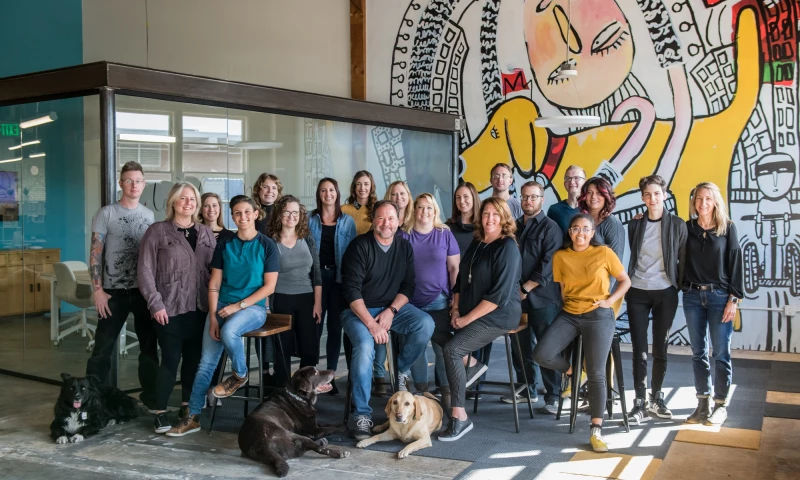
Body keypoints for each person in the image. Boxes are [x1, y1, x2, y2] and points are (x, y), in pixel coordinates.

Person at [166, 195, 280, 437]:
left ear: (255, 214)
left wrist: (238, 306)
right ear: (232, 217)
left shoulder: (267, 245)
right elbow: (215, 283)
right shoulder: (225, 243)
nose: (242, 217)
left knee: (230, 331)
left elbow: (269, 287)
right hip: (221, 306)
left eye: (247, 212)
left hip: (253, 308)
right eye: (237, 213)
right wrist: (213, 317)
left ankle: (239, 374)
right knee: (206, 364)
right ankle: (193, 417)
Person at [532, 213, 631, 453]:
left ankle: (596, 429)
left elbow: (624, 281)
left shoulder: (604, 253)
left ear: (592, 232)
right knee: (541, 354)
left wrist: (609, 302)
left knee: (597, 373)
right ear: (570, 232)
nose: (581, 233)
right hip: (570, 314)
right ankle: (575, 372)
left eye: (586, 229)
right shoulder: (561, 256)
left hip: (598, 314)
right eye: (576, 228)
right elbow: (563, 290)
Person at [340, 200, 434, 440]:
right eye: (380, 218)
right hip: (358, 311)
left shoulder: (404, 247)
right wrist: (372, 324)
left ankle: (400, 370)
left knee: (425, 324)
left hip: (391, 309)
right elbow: (351, 291)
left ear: (399, 221)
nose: (386, 223)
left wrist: (391, 311)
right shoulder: (359, 246)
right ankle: (362, 414)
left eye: (391, 218)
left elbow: (408, 286)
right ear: (373, 220)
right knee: (365, 347)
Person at [433, 197, 522, 441]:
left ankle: (460, 417)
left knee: (452, 349)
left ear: (504, 218)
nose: (490, 218)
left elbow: (498, 297)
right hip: (468, 309)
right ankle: (470, 364)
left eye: (495, 214)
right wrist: (455, 310)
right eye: (485, 213)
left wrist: (466, 319)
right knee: (428, 323)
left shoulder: (508, 247)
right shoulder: (478, 241)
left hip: (498, 315)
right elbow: (461, 280)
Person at [137, 182, 216, 433]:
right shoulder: (157, 231)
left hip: (200, 308)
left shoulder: (205, 233)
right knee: (170, 361)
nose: (188, 203)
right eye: (183, 198)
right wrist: (155, 303)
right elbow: (145, 270)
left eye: (192, 199)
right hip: (168, 308)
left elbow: (216, 271)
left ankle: (186, 408)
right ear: (173, 202)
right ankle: (160, 412)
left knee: (193, 361)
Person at [86, 161, 159, 410]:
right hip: (112, 293)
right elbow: (95, 254)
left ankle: (151, 400)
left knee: (148, 348)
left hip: (142, 292)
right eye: (128, 180)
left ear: (144, 184)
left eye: (138, 181)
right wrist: (98, 290)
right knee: (102, 350)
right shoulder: (106, 213)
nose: (133, 185)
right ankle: (93, 402)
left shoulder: (149, 216)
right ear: (121, 184)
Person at [625, 175, 687, 424]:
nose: (652, 198)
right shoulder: (635, 224)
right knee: (639, 349)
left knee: (661, 347)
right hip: (637, 291)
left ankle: (657, 397)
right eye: (648, 194)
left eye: (657, 194)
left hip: (665, 291)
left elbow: (683, 258)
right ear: (642, 197)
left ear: (665, 195)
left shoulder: (678, 224)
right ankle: (639, 401)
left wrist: (676, 287)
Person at [682, 182, 743, 427]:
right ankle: (702, 404)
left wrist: (733, 300)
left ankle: (720, 405)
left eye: (708, 198)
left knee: (721, 353)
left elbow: (736, 263)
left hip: (720, 297)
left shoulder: (728, 228)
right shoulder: (687, 228)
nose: (703, 203)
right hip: (692, 296)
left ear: (716, 201)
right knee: (698, 353)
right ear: (694, 201)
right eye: (699, 198)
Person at [503, 181, 563, 414]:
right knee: (519, 345)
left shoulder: (551, 228)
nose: (528, 201)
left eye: (533, 197)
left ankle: (553, 395)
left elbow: (549, 264)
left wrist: (526, 288)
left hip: (542, 298)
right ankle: (526, 389)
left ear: (542, 199)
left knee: (547, 347)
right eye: (525, 197)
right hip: (516, 297)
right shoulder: (514, 226)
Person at [398, 193, 460, 402]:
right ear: (414, 210)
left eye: (429, 207)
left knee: (442, 348)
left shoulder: (444, 234)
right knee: (416, 346)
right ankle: (421, 390)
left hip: (439, 299)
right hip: (410, 302)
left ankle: (446, 389)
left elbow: (454, 269)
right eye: (421, 207)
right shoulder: (403, 235)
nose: (425, 211)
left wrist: (455, 299)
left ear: (435, 211)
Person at [308, 178, 357, 395]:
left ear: (337, 193)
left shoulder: (347, 222)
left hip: (338, 279)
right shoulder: (310, 219)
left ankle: (331, 376)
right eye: (323, 190)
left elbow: (352, 254)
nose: (328, 194)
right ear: (318, 194)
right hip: (315, 279)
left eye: (331, 190)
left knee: (335, 328)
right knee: (315, 327)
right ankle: (311, 377)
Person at [268, 195, 324, 386]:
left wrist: (318, 303)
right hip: (281, 298)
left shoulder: (307, 238)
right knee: (282, 347)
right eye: (287, 212)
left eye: (295, 212)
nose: (291, 216)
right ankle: (283, 388)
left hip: (307, 298)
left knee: (309, 347)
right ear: (279, 214)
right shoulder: (271, 241)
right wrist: (266, 306)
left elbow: (316, 272)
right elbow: (265, 276)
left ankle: (305, 386)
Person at [547, 165, 586, 233]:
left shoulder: (591, 208)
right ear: (564, 183)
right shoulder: (554, 210)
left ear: (585, 182)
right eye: (568, 178)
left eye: (576, 178)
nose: (572, 182)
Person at [447, 182, 481, 255]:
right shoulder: (448, 228)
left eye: (466, 196)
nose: (462, 201)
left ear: (474, 198)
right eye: (458, 197)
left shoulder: (483, 226)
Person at [341, 170, 377, 235]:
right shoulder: (343, 209)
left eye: (366, 184)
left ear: (371, 187)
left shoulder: (378, 209)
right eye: (358, 184)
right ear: (354, 187)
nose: (362, 188)